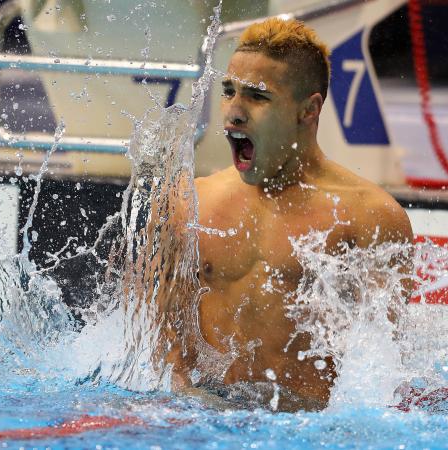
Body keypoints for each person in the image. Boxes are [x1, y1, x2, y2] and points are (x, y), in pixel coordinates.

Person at [162, 18, 414, 411]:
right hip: (198, 419)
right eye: (229, 91)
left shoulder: (369, 217)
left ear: (309, 110)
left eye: (258, 97)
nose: (234, 112)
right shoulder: (191, 202)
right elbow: (159, 342)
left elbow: (387, 369)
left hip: (303, 429)